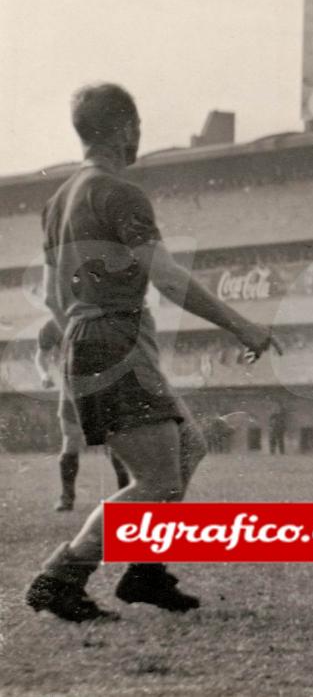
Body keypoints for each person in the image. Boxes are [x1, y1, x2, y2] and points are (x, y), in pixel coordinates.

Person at [25, 83, 281, 624]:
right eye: (136, 127)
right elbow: (164, 276)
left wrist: (83, 333)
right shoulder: (118, 192)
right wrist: (241, 326)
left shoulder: (58, 201)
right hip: (114, 340)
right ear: (124, 128)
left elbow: (52, 295)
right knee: (160, 480)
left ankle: (144, 568)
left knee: (187, 446)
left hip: (89, 335)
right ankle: (61, 576)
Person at [34, 318, 130, 510]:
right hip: (72, 389)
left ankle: (125, 494)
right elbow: (41, 356)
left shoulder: (100, 317)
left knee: (114, 442)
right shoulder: (53, 324)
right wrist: (44, 375)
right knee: (70, 440)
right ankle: (66, 498)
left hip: (104, 388)